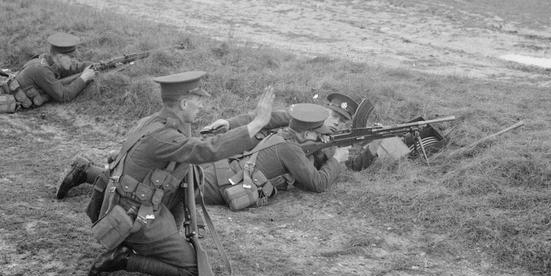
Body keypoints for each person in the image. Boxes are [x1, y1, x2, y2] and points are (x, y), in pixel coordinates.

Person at [85, 71, 275, 276]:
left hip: (135, 204)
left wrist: (222, 131)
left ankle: (159, 240)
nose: (201, 106)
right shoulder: (163, 136)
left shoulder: (154, 122)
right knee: (196, 272)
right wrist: (258, 122)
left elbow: (185, 145)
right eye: (198, 100)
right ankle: (123, 259)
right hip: (137, 217)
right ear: (184, 104)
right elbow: (205, 150)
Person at [59, 102, 349, 215]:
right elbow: (317, 182)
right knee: (163, 193)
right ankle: (90, 171)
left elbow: (272, 118)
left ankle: (99, 168)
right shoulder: (291, 148)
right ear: (310, 130)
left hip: (224, 168)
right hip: (223, 181)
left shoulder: (290, 133)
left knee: (164, 183)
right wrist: (339, 159)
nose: (331, 126)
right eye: (328, 123)